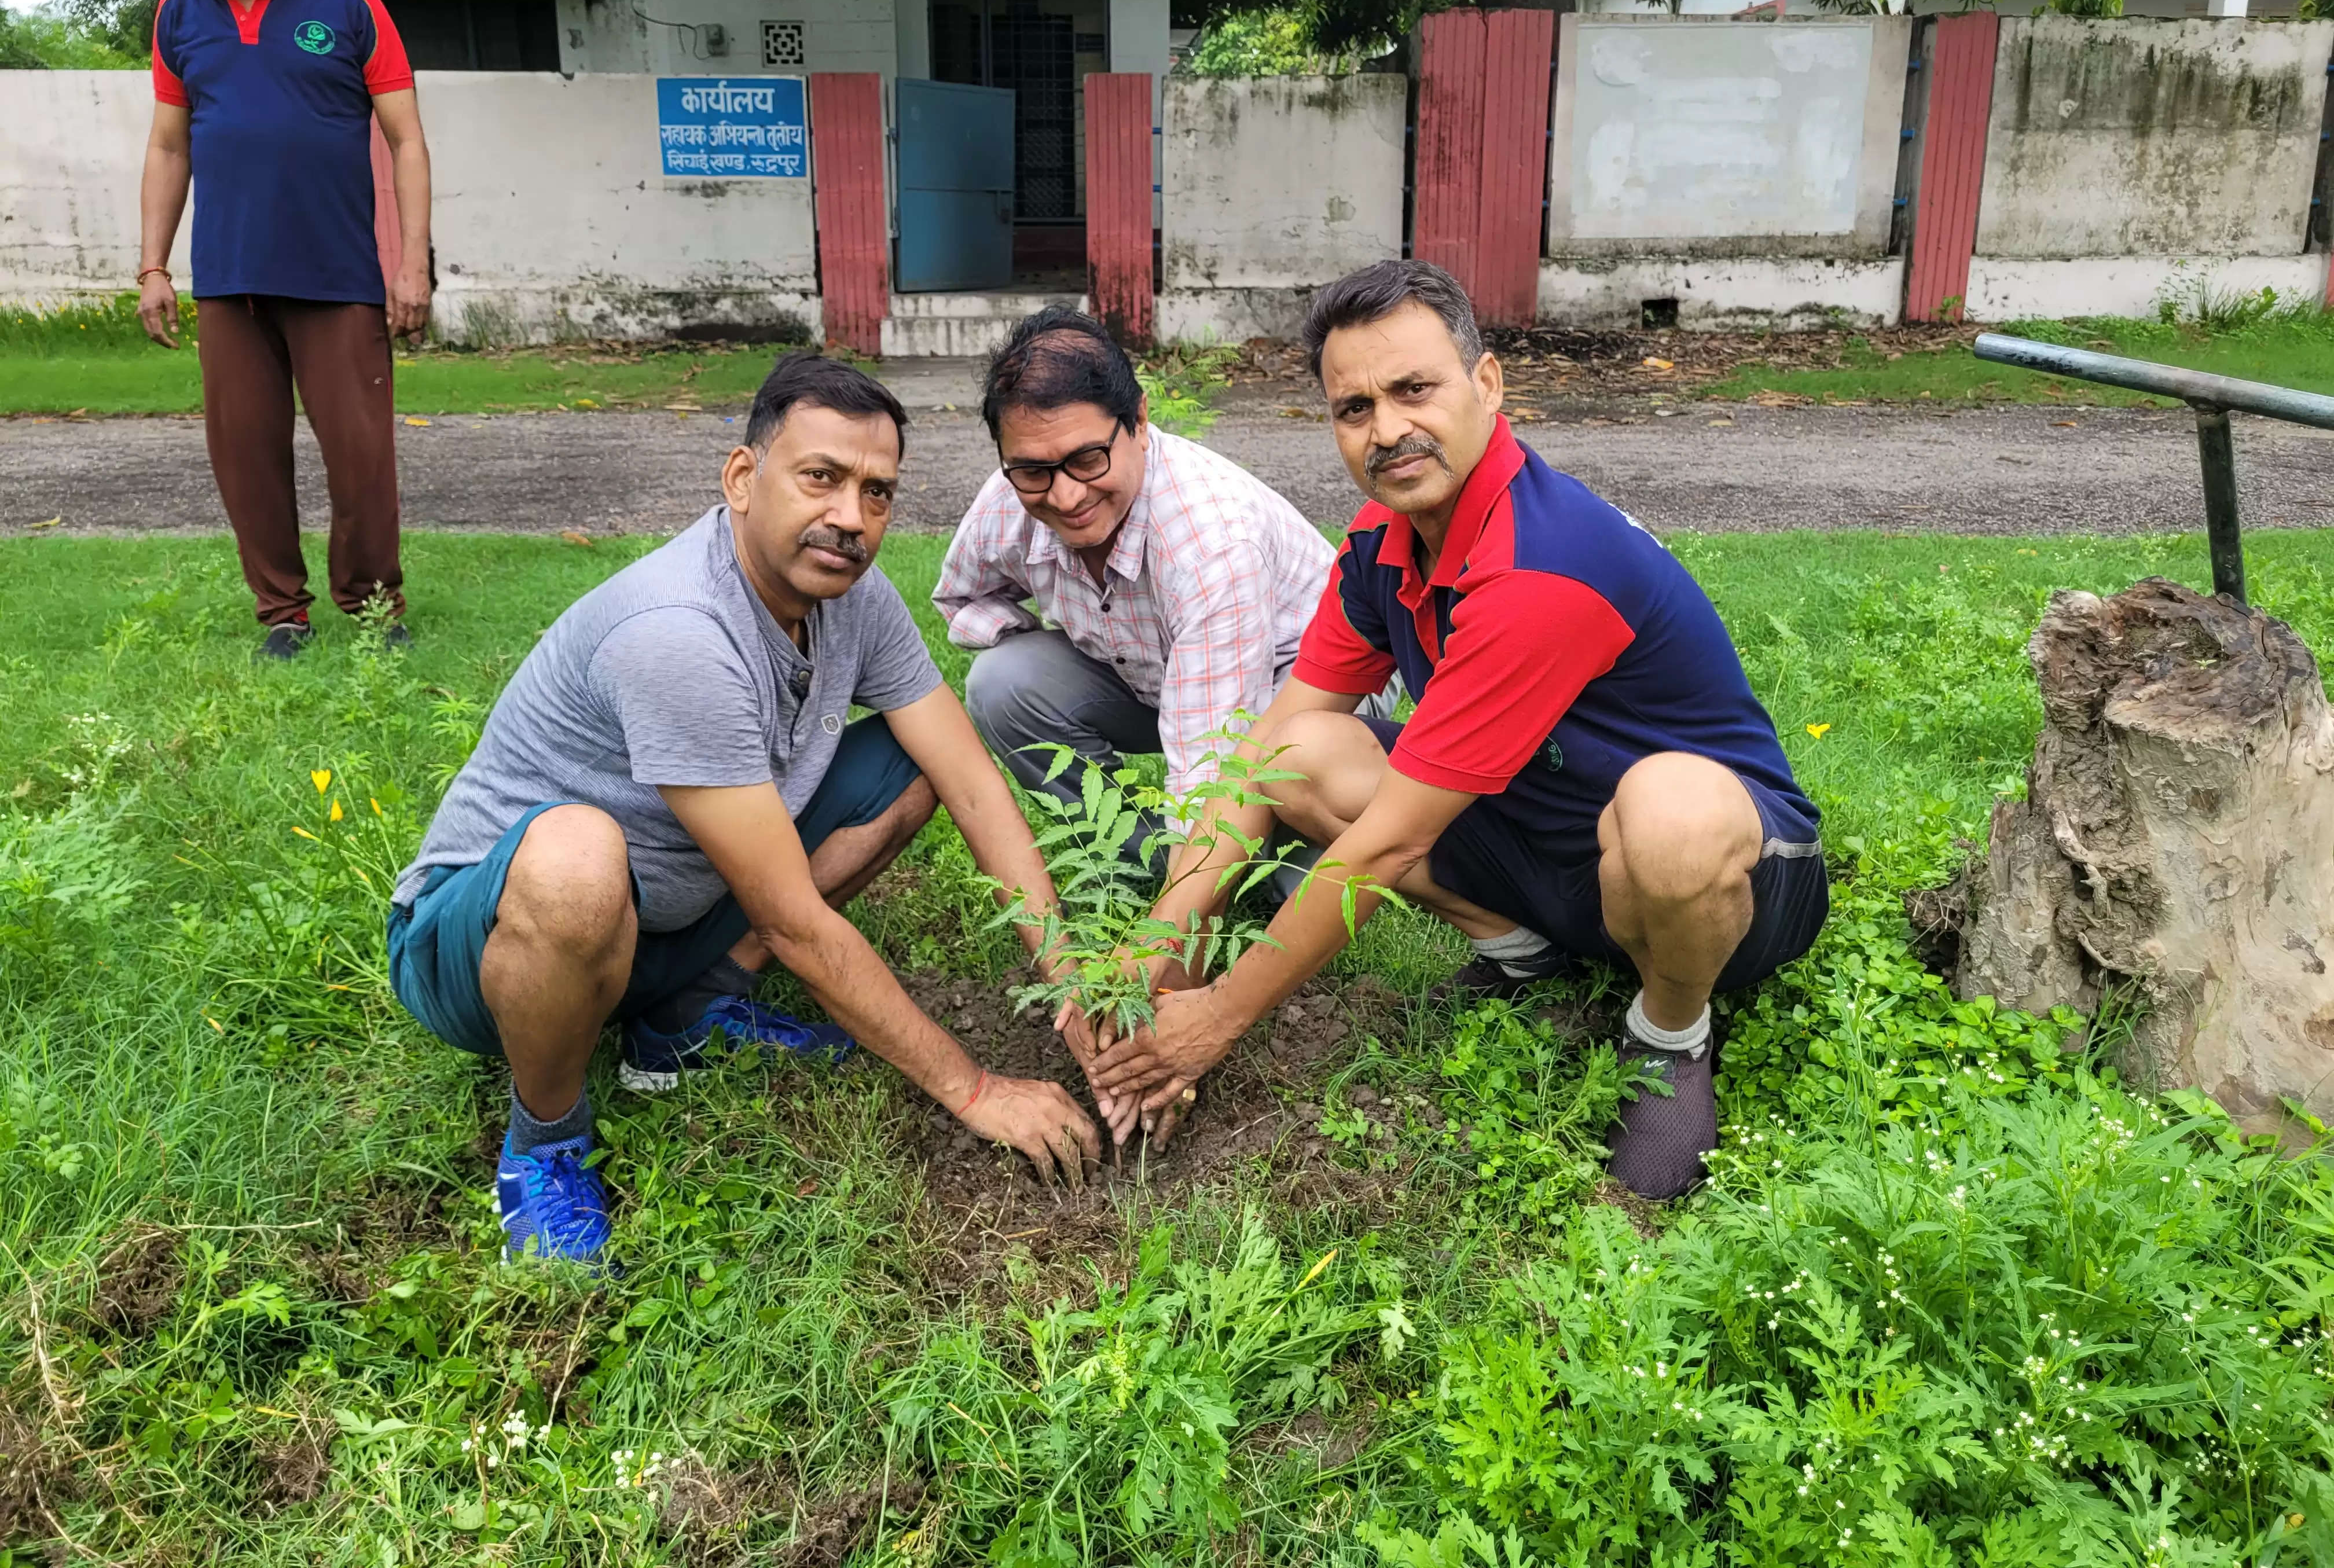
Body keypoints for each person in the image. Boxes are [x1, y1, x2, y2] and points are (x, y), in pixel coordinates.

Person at [1082, 261, 1827, 1198]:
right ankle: (1525, 954)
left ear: (1486, 384)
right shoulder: (1381, 546)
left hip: (1741, 873)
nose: (1386, 428)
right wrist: (1160, 942)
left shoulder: (1539, 565)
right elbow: (1261, 753)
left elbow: (1389, 843)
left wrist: (1218, 1015)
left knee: (1667, 811)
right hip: (1552, 847)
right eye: (1354, 406)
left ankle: (1669, 1032)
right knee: (1293, 754)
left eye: (1413, 389)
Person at [388, 354, 1099, 1263]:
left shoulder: (855, 598)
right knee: (577, 858)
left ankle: (685, 1019)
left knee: (910, 764)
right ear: (741, 479)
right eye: (822, 478)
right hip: (484, 945)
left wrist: (1069, 977)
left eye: (878, 493)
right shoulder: (678, 631)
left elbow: (967, 779)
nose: (851, 517)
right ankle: (547, 1138)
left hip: (653, 926)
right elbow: (795, 925)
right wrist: (974, 1090)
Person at [137, 0, 434, 660]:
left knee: (362, 457)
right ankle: (282, 615)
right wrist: (154, 266)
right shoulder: (179, 15)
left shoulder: (348, 6)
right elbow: (169, 148)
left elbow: (406, 141)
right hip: (229, 280)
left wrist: (412, 263)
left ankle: (375, 608)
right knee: (246, 458)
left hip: (337, 276)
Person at [934, 307, 1340, 864]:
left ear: (1140, 422)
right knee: (1004, 681)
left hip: (1298, 686)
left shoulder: (1209, 538)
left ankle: (1241, 868)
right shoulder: (1008, 499)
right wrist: (1043, 635)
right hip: (1152, 679)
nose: (1065, 497)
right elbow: (960, 598)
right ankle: (1144, 859)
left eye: (1088, 459)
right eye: (1033, 471)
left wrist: (1174, 942)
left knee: (1286, 886)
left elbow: (1211, 760)